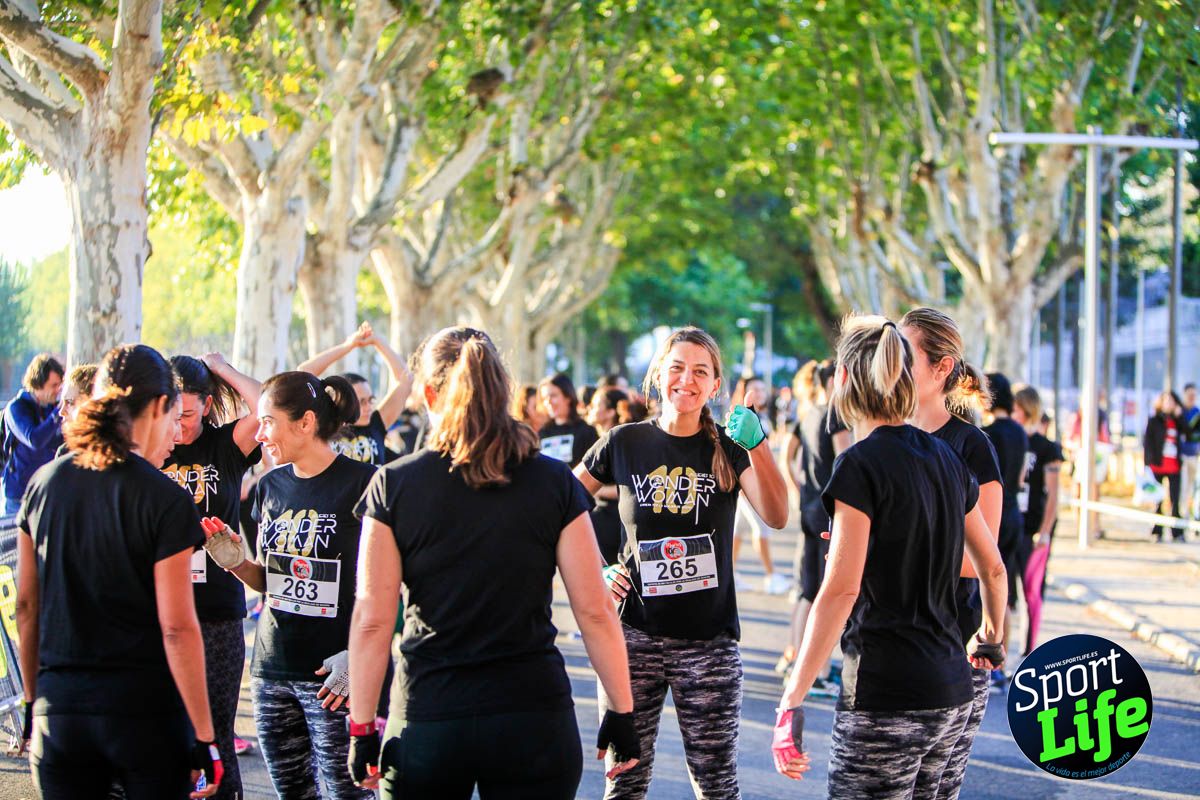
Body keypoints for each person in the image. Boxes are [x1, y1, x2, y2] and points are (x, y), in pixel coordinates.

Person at [344, 326, 639, 799]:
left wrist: (361, 728)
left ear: (426, 393)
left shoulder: (394, 485)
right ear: (504, 390)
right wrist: (622, 712)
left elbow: (373, 620)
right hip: (533, 716)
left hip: (429, 716)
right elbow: (595, 611)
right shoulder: (552, 482)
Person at [773, 315, 1007, 798]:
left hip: (885, 692)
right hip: (950, 690)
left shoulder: (859, 464)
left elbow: (840, 590)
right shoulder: (946, 457)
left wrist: (793, 696)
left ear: (841, 381)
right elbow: (994, 567)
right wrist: (991, 636)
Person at [575, 326, 789, 800]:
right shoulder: (623, 442)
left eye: (700, 371)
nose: (686, 380)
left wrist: (759, 445)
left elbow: (776, 515)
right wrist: (594, 571)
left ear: (715, 385)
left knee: (715, 786)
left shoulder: (729, 448)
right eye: (676, 368)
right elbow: (558, 507)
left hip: (708, 643)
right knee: (624, 782)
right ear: (658, 375)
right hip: (632, 638)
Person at [15, 344, 221, 799]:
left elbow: (26, 607)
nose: (174, 432)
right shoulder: (164, 499)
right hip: (143, 716)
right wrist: (205, 736)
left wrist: (34, 701)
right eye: (173, 416)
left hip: (60, 712)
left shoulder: (43, 484)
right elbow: (177, 628)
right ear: (157, 407)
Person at [202, 372, 375, 799]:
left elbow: (392, 587)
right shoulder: (269, 487)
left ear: (305, 423)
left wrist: (358, 654)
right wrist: (238, 564)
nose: (259, 434)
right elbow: (273, 582)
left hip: (335, 678)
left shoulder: (365, 483)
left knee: (347, 792)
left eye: (267, 421)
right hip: (271, 671)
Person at [899, 307, 1002, 800]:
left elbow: (980, 561)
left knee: (934, 789)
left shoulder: (971, 446)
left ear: (942, 368)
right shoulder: (879, 437)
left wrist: (889, 550)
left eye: (905, 355)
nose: (891, 366)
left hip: (953, 644)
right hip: (884, 645)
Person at [162, 353, 262, 800]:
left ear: (205, 404)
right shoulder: (150, 448)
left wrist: (222, 368)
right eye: (170, 412)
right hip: (159, 610)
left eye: (186, 412)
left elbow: (267, 407)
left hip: (217, 611)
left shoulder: (227, 445)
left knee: (217, 731)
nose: (178, 425)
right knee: (164, 733)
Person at [778, 360, 850, 689]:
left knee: (807, 589)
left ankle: (797, 660)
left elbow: (787, 456)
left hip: (809, 506)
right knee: (828, 592)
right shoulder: (836, 415)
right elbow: (846, 463)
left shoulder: (808, 413)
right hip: (828, 512)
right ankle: (819, 672)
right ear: (836, 379)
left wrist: (796, 488)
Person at [298, 321, 413, 465]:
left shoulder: (376, 423)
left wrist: (378, 342)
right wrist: (348, 346)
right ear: (341, 402)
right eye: (361, 402)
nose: (368, 407)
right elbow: (302, 374)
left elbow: (406, 380)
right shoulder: (324, 426)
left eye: (370, 400)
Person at [981, 372, 1028, 676]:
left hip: (993, 514)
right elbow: (1022, 476)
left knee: (988, 586)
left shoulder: (987, 434)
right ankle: (1002, 663)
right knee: (1006, 590)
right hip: (1015, 514)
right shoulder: (1020, 432)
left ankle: (990, 654)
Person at [1012, 387, 1063, 654]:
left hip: (1034, 528)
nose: (1013, 412)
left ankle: (1028, 651)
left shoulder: (1047, 448)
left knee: (1032, 592)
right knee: (1006, 593)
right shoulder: (1009, 439)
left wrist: (1044, 531)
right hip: (1011, 524)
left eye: (1018, 407)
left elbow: (1054, 494)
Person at [730, 375, 789, 595]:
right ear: (745, 391)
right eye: (755, 389)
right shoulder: (745, 417)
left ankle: (731, 573)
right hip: (750, 486)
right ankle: (771, 575)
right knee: (762, 529)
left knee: (739, 530)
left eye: (763, 389)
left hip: (755, 483)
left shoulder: (762, 416)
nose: (761, 393)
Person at [3, 354, 65, 515]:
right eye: (53, 385)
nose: (58, 391)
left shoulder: (51, 408)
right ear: (38, 384)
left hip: (46, 493)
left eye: (60, 385)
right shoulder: (16, 408)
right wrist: (58, 413)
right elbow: (34, 439)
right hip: (19, 497)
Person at [588, 387, 631, 565]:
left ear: (611, 412)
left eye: (596, 404)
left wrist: (595, 490)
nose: (589, 408)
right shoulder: (596, 439)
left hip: (616, 523)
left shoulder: (621, 442)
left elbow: (631, 487)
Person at [1144, 391, 1186, 542]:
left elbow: (1188, 432)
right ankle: (1157, 531)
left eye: (1172, 401)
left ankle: (1177, 532)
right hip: (1158, 465)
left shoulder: (1177, 420)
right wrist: (1147, 464)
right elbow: (1147, 442)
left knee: (1175, 500)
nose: (1169, 404)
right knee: (1158, 500)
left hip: (1174, 465)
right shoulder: (1154, 420)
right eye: (1166, 401)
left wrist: (1180, 416)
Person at [538, 373, 600, 467]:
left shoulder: (586, 431)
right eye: (545, 398)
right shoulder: (542, 433)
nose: (548, 402)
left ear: (568, 397)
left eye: (553, 396)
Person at [1180, 383, 1199, 523]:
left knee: (1191, 488)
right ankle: (1181, 518)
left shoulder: (1197, 413)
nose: (1192, 397)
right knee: (1182, 488)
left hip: (1194, 455)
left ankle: (1190, 517)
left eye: (1194, 395)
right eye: (1189, 394)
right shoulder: (1179, 412)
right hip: (1180, 456)